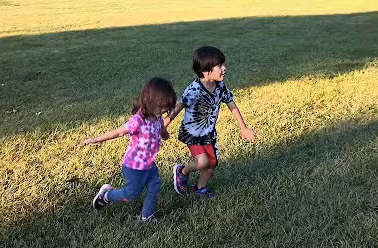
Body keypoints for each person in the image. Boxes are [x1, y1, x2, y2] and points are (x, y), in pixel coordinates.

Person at [165, 46, 255, 198]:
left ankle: (200, 188)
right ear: (206, 71)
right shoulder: (194, 90)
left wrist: (243, 128)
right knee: (202, 161)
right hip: (192, 133)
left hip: (208, 133)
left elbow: (231, 104)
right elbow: (177, 108)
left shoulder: (220, 87)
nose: (224, 68)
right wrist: (163, 126)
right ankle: (182, 171)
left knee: (211, 164)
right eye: (219, 66)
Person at [84, 77, 176, 221]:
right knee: (131, 195)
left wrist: (164, 134)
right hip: (133, 167)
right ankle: (106, 195)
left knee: (154, 189)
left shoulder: (158, 119)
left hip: (150, 165)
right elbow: (118, 132)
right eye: (162, 106)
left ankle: (147, 216)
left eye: (166, 108)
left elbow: (162, 129)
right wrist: (95, 139)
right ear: (150, 101)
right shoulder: (137, 121)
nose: (164, 110)